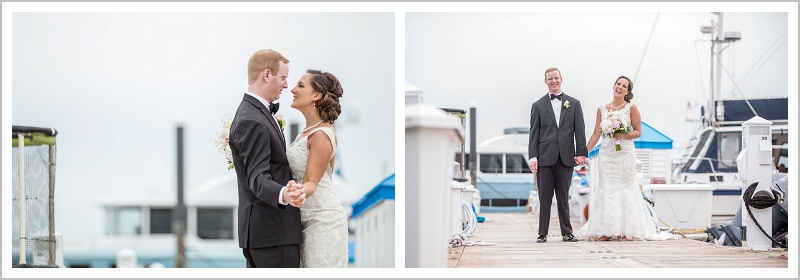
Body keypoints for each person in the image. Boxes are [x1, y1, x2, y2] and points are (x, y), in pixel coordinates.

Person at [229, 49, 306, 267]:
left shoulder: (253, 113)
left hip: (267, 235)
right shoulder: (251, 120)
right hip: (273, 234)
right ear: (266, 74)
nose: (285, 85)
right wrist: (285, 194)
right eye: (282, 78)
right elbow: (257, 177)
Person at [575, 75, 675, 241]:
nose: (619, 87)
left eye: (624, 86)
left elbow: (638, 131)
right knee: (607, 188)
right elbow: (595, 134)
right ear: (614, 86)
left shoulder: (631, 108)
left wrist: (623, 134)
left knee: (625, 188)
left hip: (624, 154)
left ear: (627, 92)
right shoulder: (602, 108)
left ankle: (625, 231)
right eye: (618, 83)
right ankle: (606, 230)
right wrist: (584, 152)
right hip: (607, 154)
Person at [286, 69, 349, 267]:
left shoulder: (321, 135)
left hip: (324, 223)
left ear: (317, 95)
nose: (293, 90)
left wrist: (291, 191)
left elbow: (312, 183)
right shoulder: (307, 132)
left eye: (300, 86)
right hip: (307, 222)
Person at [528, 67, 588, 243]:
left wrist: (581, 153)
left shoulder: (574, 103)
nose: (553, 81)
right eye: (550, 79)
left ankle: (567, 233)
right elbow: (534, 133)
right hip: (544, 157)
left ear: (561, 79)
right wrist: (533, 157)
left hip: (566, 156)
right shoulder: (537, 105)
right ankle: (542, 233)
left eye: (556, 78)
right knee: (544, 197)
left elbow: (580, 131)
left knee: (563, 196)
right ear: (545, 81)